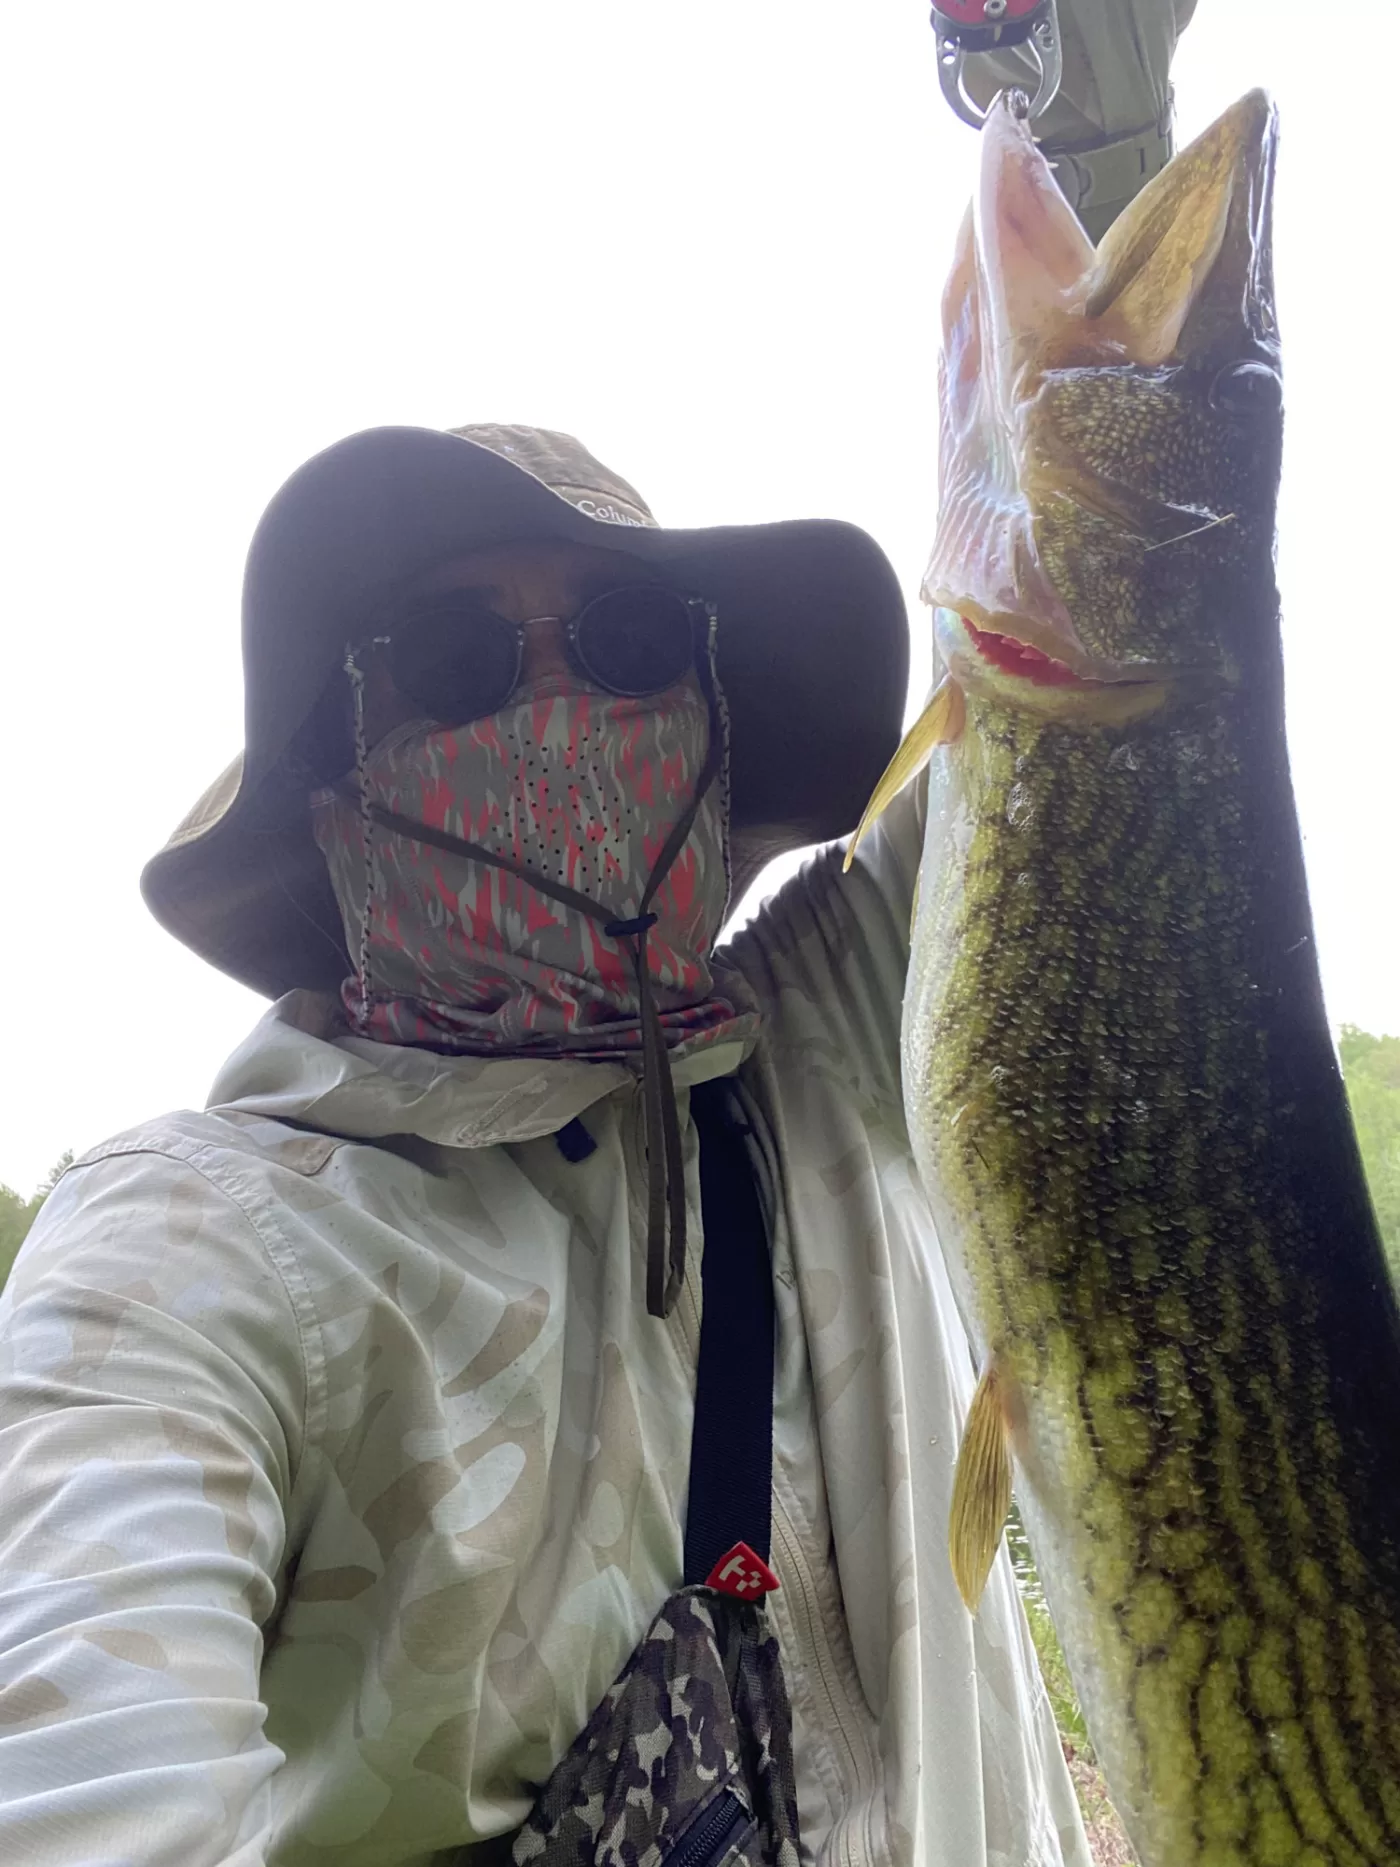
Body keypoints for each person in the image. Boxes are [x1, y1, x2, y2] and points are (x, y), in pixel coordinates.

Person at [0, 423, 1089, 1866]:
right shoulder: (194, 1244)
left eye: (632, 642)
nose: (564, 699)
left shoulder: (831, 1022)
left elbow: (1103, 653)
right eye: (454, 659)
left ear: (709, 723)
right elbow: (78, 1772)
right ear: (342, 786)